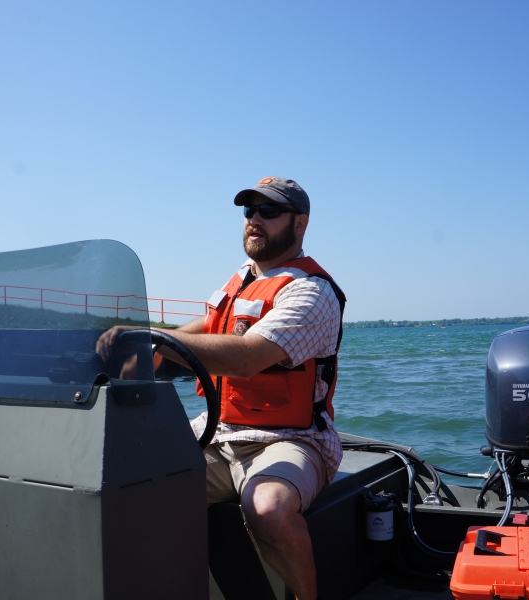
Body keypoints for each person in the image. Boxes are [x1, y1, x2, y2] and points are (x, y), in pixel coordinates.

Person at [98, 176, 345, 600]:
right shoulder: (242, 281)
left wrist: (147, 337)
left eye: (268, 212)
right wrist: (125, 349)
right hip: (222, 433)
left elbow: (246, 356)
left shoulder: (312, 292)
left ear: (299, 224)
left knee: (267, 507)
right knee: (131, 484)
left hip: (293, 440)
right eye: (249, 211)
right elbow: (189, 338)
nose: (254, 220)